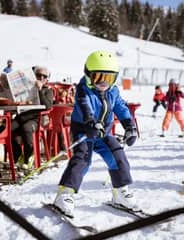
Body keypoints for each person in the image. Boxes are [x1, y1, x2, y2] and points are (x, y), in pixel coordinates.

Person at [53, 50, 138, 217]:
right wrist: (91, 122)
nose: (103, 82)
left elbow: (120, 106)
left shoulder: (113, 91)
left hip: (103, 133)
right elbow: (85, 107)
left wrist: (129, 125)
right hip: (85, 131)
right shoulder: (83, 89)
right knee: (82, 160)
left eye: (108, 78)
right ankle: (65, 194)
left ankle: (120, 192)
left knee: (118, 156)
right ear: (88, 74)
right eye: (98, 76)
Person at [11, 66, 54, 170]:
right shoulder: (26, 89)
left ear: (47, 79)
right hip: (22, 116)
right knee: (6, 129)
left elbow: (47, 106)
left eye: (44, 76)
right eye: (38, 75)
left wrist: (39, 90)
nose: (41, 78)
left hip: (37, 119)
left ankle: (28, 157)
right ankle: (17, 156)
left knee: (26, 128)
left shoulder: (47, 91)